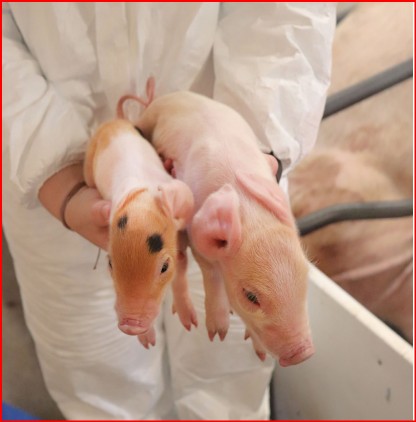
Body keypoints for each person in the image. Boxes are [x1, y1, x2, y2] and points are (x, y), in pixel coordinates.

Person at [2, 3, 336, 419]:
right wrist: (61, 186)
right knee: (100, 376)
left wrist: (250, 149)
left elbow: (287, 14)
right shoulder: (165, 204)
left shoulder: (218, 210)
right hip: (50, 171)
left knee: (226, 380)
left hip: (227, 144)